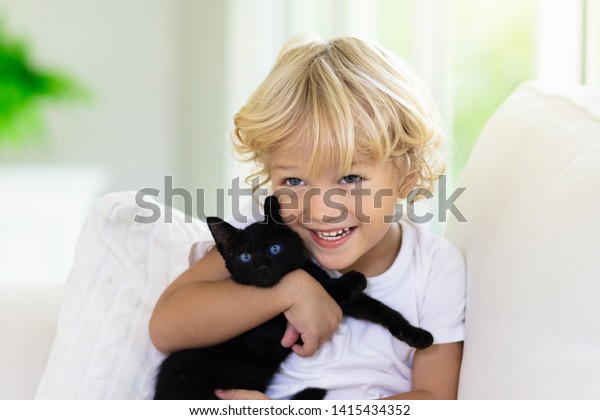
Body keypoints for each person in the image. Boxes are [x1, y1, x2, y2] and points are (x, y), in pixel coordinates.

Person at [149, 35, 466, 400]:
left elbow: (435, 398)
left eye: (350, 178)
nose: (319, 209)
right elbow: (166, 327)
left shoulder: (433, 268)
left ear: (407, 176)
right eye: (294, 181)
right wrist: (291, 291)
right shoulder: (265, 232)